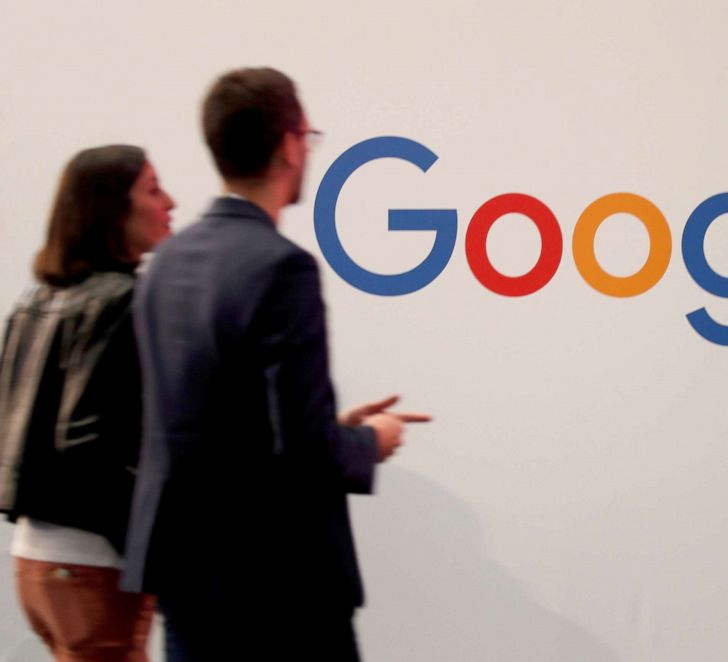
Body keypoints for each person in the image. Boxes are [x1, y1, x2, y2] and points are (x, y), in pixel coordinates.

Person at [120, 67, 429, 661]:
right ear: (289, 144)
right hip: (278, 585)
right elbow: (301, 452)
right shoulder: (281, 268)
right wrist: (367, 442)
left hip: (187, 573)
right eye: (308, 137)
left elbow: (211, 423)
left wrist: (334, 430)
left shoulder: (166, 262)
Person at [0, 145, 175, 661]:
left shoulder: (33, 301)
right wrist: (152, 554)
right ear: (111, 208)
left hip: (34, 561)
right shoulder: (125, 300)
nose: (170, 201)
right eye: (151, 188)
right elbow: (88, 445)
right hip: (91, 566)